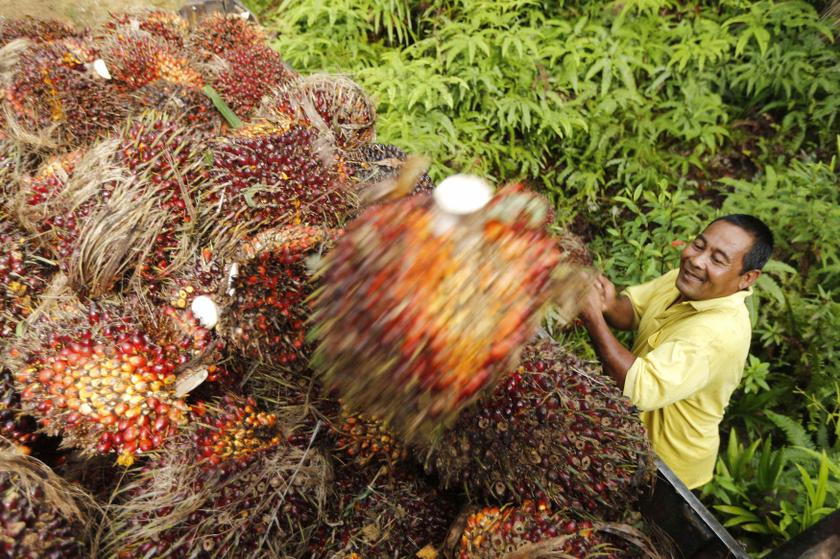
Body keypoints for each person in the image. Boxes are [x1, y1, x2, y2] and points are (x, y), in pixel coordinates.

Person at [579, 214, 774, 489]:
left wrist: (593, 318)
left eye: (717, 259)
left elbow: (638, 388)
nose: (697, 260)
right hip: (627, 433)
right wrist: (608, 304)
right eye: (699, 245)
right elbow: (633, 312)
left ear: (747, 278)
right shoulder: (686, 281)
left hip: (665, 466)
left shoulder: (718, 334)